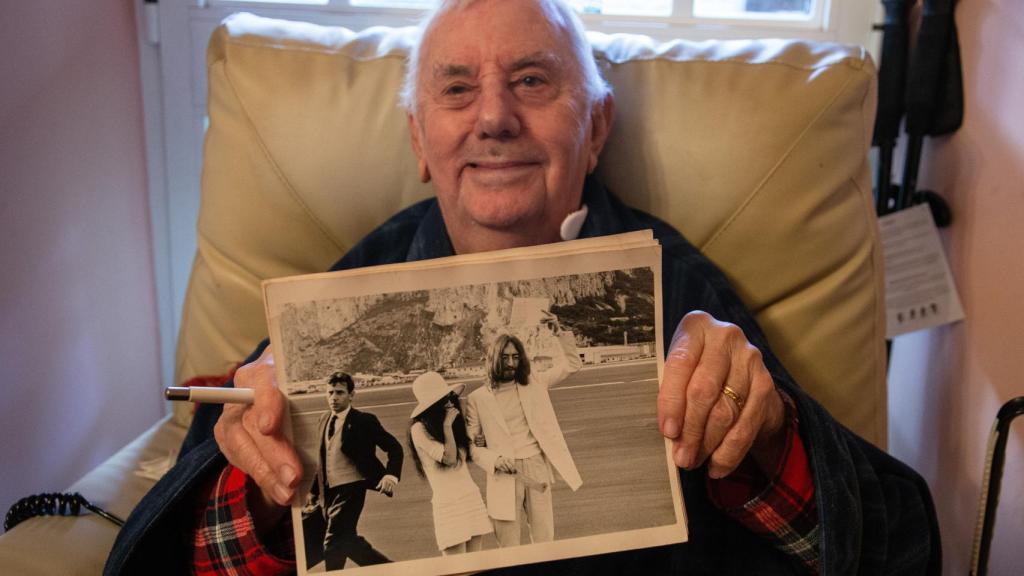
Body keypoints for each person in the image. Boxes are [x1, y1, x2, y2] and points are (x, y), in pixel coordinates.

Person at [105, 0, 940, 574]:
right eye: (457, 88)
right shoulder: (342, 307)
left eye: (534, 81)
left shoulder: (675, 293)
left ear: (597, 126)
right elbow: (170, 557)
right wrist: (263, 486)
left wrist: (760, 439)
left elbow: (882, 544)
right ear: (420, 141)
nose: (495, 117)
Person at [463, 318, 582, 546]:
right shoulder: (477, 399)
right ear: (494, 359)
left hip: (536, 466)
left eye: (516, 357)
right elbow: (473, 447)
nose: (511, 363)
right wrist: (494, 459)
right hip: (503, 472)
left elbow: (572, 365)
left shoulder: (534, 382)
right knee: (508, 546)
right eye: (505, 357)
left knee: (545, 539)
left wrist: (559, 335)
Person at [303, 371, 402, 570]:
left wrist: (390, 476)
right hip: (328, 492)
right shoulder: (323, 420)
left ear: (351, 395)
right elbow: (323, 461)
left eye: (339, 392)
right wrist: (312, 492)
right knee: (348, 541)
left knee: (332, 543)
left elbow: (394, 448)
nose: (334, 398)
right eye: (330, 393)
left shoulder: (364, 421)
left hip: (352, 488)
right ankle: (392, 570)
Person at [407, 371, 493, 555]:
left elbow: (469, 451)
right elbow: (449, 458)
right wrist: (447, 426)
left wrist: (480, 441)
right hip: (449, 505)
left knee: (477, 563)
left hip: (470, 497)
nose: (450, 402)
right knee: (457, 567)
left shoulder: (452, 423)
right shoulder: (419, 430)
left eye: (449, 396)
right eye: (444, 399)